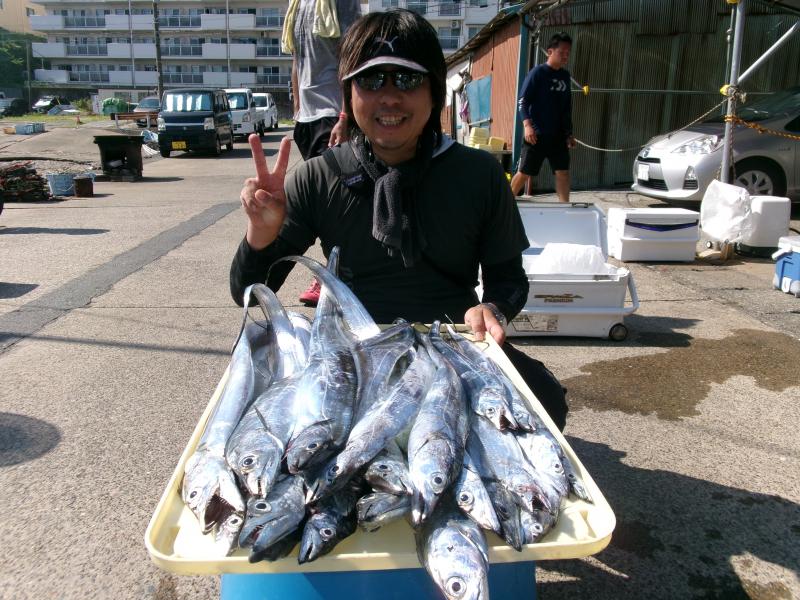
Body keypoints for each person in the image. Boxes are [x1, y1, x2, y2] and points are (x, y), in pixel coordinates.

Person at [231, 9, 568, 430]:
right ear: (348, 94)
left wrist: (494, 307)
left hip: (454, 345)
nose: (389, 98)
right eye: (371, 81)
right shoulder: (320, 176)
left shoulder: (479, 173)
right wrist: (260, 234)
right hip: (349, 352)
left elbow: (509, 278)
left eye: (407, 79)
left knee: (547, 401)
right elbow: (246, 292)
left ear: (435, 93)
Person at [281, 0, 361, 305]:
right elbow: (297, 61)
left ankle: (333, 277)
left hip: (332, 112)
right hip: (308, 118)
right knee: (320, 200)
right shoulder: (297, 5)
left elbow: (352, 56)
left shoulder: (340, 2)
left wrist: (345, 116)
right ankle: (333, 273)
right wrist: (298, 110)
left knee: (338, 202)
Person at [510, 32, 577, 201]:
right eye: (561, 52)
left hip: (558, 136)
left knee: (563, 172)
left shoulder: (565, 76)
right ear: (550, 52)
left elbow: (566, 107)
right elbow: (522, 102)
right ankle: (505, 203)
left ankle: (564, 208)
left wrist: (569, 133)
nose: (565, 56)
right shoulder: (537, 73)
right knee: (524, 173)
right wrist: (527, 125)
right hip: (536, 135)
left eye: (568, 53)